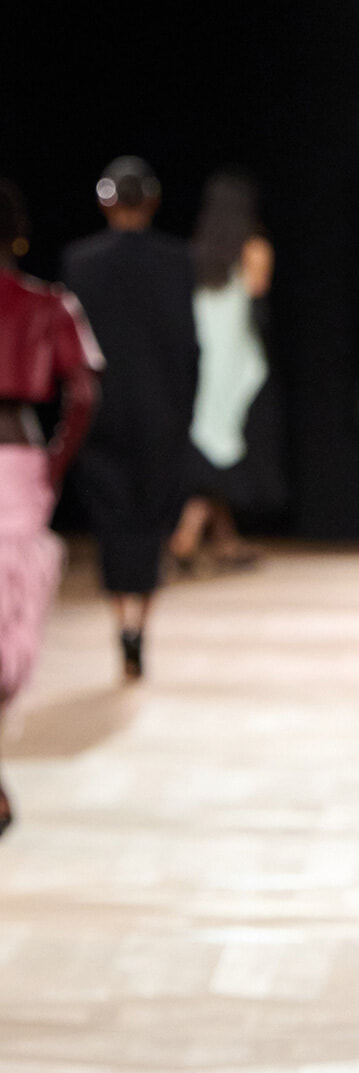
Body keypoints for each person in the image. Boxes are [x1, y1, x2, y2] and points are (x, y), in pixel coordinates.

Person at [63, 157, 198, 678]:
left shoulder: (80, 261)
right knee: (150, 517)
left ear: (105, 201)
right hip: (162, 410)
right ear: (154, 202)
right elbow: (188, 345)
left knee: (112, 520)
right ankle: (141, 623)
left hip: (102, 409)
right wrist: (185, 407)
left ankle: (123, 623)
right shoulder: (177, 259)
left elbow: (75, 347)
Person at [0, 179, 101, 829]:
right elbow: (85, 392)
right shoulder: (48, 304)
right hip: (15, 461)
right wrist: (55, 468)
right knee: (8, 621)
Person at [170, 171, 285, 571]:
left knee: (211, 438)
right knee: (224, 444)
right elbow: (258, 295)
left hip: (203, 355)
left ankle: (224, 540)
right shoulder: (253, 249)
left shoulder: (196, 252)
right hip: (236, 353)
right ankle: (185, 535)